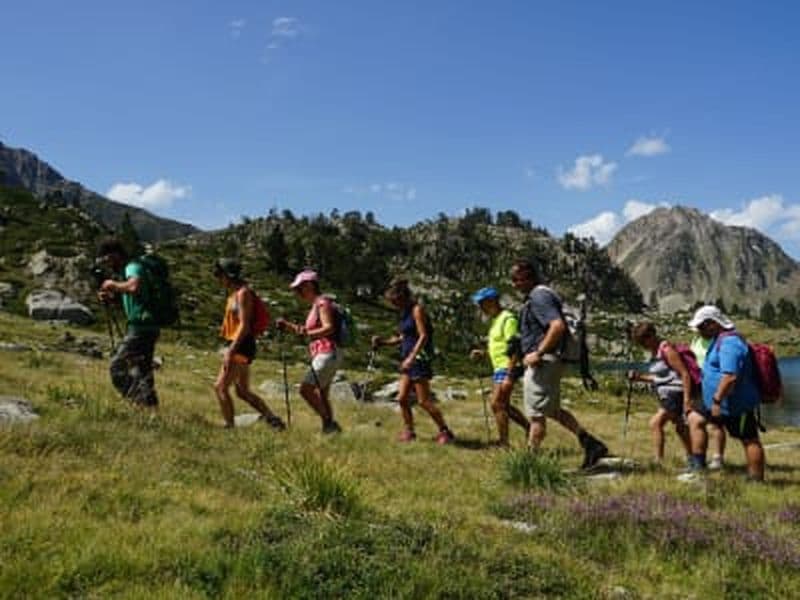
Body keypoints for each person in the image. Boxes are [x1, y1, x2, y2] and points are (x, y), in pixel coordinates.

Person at [510, 259, 608, 468]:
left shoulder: (539, 297)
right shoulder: (544, 294)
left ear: (528, 277)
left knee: (536, 414)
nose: (514, 284)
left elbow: (557, 326)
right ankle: (591, 444)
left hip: (543, 363)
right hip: (551, 362)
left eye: (516, 279)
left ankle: (529, 465)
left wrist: (538, 352)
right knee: (552, 410)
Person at [683, 305, 766, 482]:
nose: (698, 331)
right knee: (695, 419)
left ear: (712, 323)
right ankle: (698, 466)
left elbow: (730, 377)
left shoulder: (730, 343)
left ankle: (756, 479)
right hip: (718, 402)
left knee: (749, 439)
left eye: (700, 327)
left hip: (735, 403)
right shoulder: (719, 339)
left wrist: (716, 400)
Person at [372, 279, 455, 444]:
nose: (393, 304)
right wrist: (383, 342)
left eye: (394, 300)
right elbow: (402, 337)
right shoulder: (403, 313)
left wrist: (411, 357)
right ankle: (409, 431)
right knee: (402, 398)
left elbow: (423, 335)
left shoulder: (417, 310)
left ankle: (445, 431)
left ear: (402, 296)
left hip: (418, 360)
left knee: (423, 401)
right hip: (407, 361)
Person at [213, 259, 285, 430]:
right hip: (240, 344)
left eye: (219, 275)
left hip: (241, 345)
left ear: (228, 275)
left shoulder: (243, 293)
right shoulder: (234, 293)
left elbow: (244, 325)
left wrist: (231, 350)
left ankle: (229, 426)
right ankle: (273, 419)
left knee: (220, 387)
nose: (218, 278)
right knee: (242, 391)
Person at [276, 269, 343, 434]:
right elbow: (307, 330)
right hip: (330, 352)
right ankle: (329, 429)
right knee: (322, 393)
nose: (298, 292)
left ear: (309, 286)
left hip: (327, 352)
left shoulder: (322, 303)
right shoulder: (317, 305)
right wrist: (290, 327)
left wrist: (305, 333)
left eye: (299, 288)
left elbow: (328, 328)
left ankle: (330, 423)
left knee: (305, 389)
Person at [96, 238, 160, 409]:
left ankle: (140, 403)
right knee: (143, 372)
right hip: (146, 326)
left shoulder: (133, 266)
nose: (107, 265)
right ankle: (151, 411)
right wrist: (111, 297)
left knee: (116, 368)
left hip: (141, 328)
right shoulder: (130, 269)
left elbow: (133, 287)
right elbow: (134, 297)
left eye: (107, 260)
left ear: (114, 255)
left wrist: (112, 285)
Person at [470, 287, 529, 446]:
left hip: (507, 367)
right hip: (499, 367)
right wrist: (483, 354)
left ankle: (504, 442)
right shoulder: (496, 321)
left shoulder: (508, 318)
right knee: (504, 405)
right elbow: (499, 348)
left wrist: (510, 374)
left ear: (492, 301)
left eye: (482, 303)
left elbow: (515, 346)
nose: (481, 307)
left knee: (497, 403)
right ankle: (527, 428)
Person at [627, 321, 692, 465]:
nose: (642, 346)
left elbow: (684, 374)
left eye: (642, 342)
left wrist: (687, 399)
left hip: (675, 394)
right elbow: (661, 378)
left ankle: (658, 461)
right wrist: (639, 378)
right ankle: (693, 457)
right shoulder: (655, 352)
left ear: (650, 336)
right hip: (666, 395)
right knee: (680, 427)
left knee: (655, 423)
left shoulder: (667, 350)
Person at [690, 333, 727, 470]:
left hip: (714, 385)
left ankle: (718, 457)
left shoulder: (717, 339)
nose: (697, 329)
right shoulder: (695, 339)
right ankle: (699, 460)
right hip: (699, 384)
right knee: (696, 420)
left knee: (715, 424)